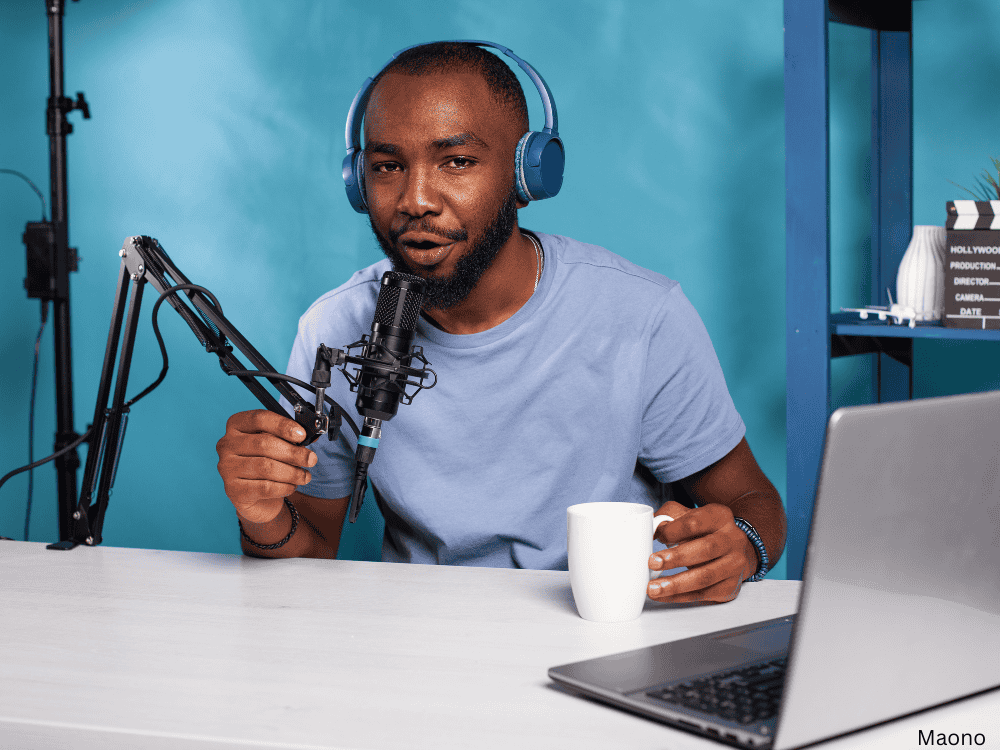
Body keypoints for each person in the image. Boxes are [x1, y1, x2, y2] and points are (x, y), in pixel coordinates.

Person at [215, 42, 786, 604]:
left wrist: (744, 545)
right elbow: (310, 559)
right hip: (421, 645)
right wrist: (262, 515)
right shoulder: (336, 328)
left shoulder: (642, 315)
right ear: (358, 182)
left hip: (596, 634)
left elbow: (756, 502)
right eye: (388, 166)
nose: (415, 199)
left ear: (528, 175)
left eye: (457, 162)